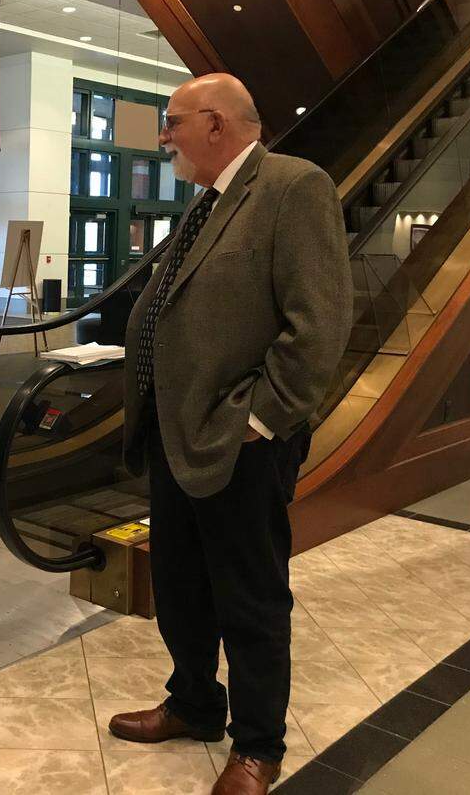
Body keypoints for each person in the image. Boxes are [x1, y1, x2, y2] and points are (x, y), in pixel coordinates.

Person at [108, 75, 352, 795]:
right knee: (181, 584)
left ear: (215, 123)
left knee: (249, 595)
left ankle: (257, 745)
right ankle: (193, 703)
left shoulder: (293, 188)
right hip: (175, 434)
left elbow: (319, 325)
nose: (165, 135)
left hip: (239, 443)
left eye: (173, 121)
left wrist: (258, 419)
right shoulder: (205, 202)